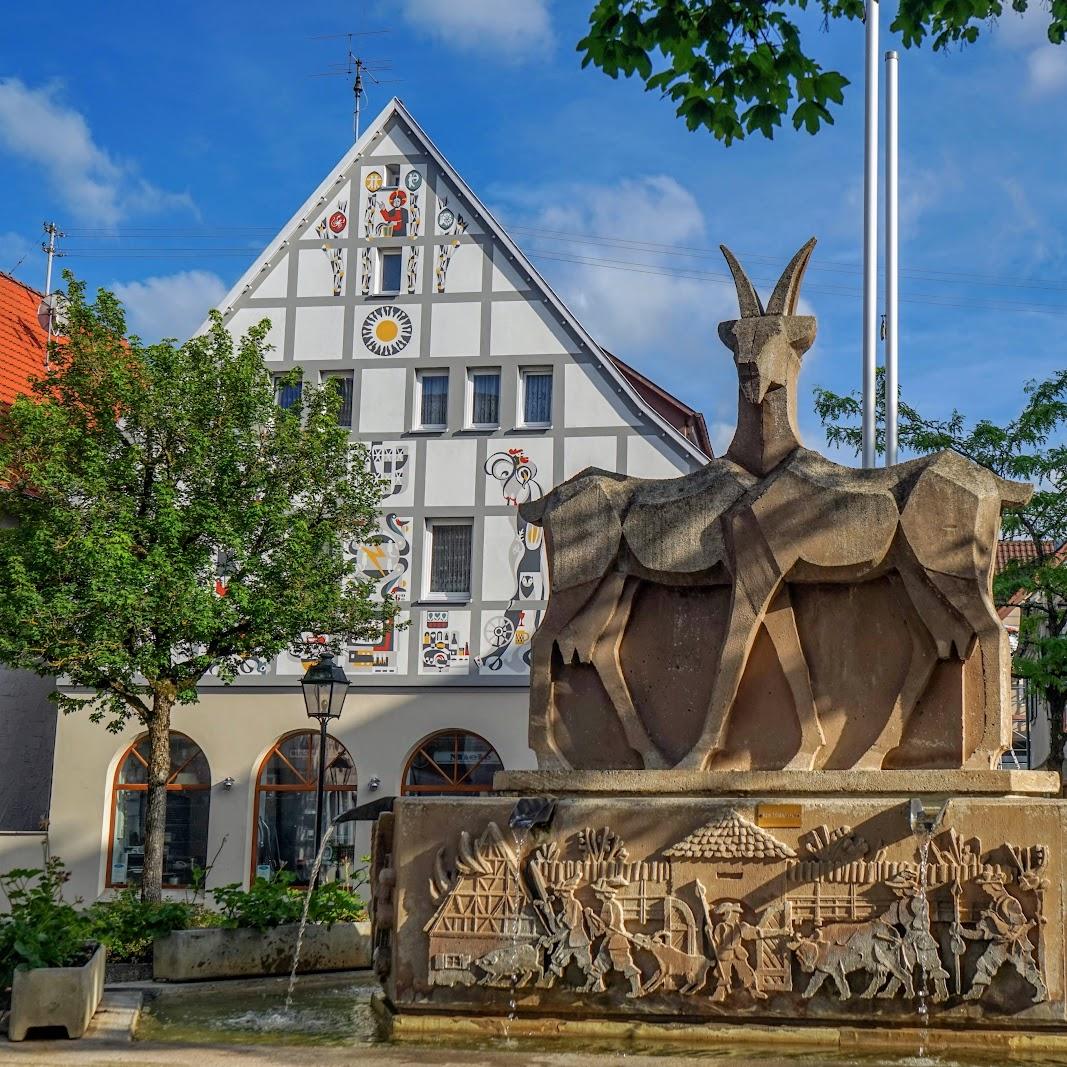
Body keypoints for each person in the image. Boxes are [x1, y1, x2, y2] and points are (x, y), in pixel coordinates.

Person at [958, 884, 1047, 1004]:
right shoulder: (993, 905)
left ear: (995, 886)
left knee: (1027, 967)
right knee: (984, 965)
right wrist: (962, 932)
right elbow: (982, 934)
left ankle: (1041, 989)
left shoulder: (1011, 903)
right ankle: (976, 991)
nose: (984, 889)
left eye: (986, 886)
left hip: (1017, 943)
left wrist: (993, 917)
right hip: (1000, 944)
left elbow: (1009, 930)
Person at [584, 875, 643, 997]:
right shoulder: (612, 904)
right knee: (600, 963)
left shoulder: (608, 906)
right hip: (611, 938)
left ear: (605, 893)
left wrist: (591, 916)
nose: (595, 894)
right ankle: (594, 986)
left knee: (625, 965)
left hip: (616, 940)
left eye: (598, 892)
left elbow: (605, 925)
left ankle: (637, 990)